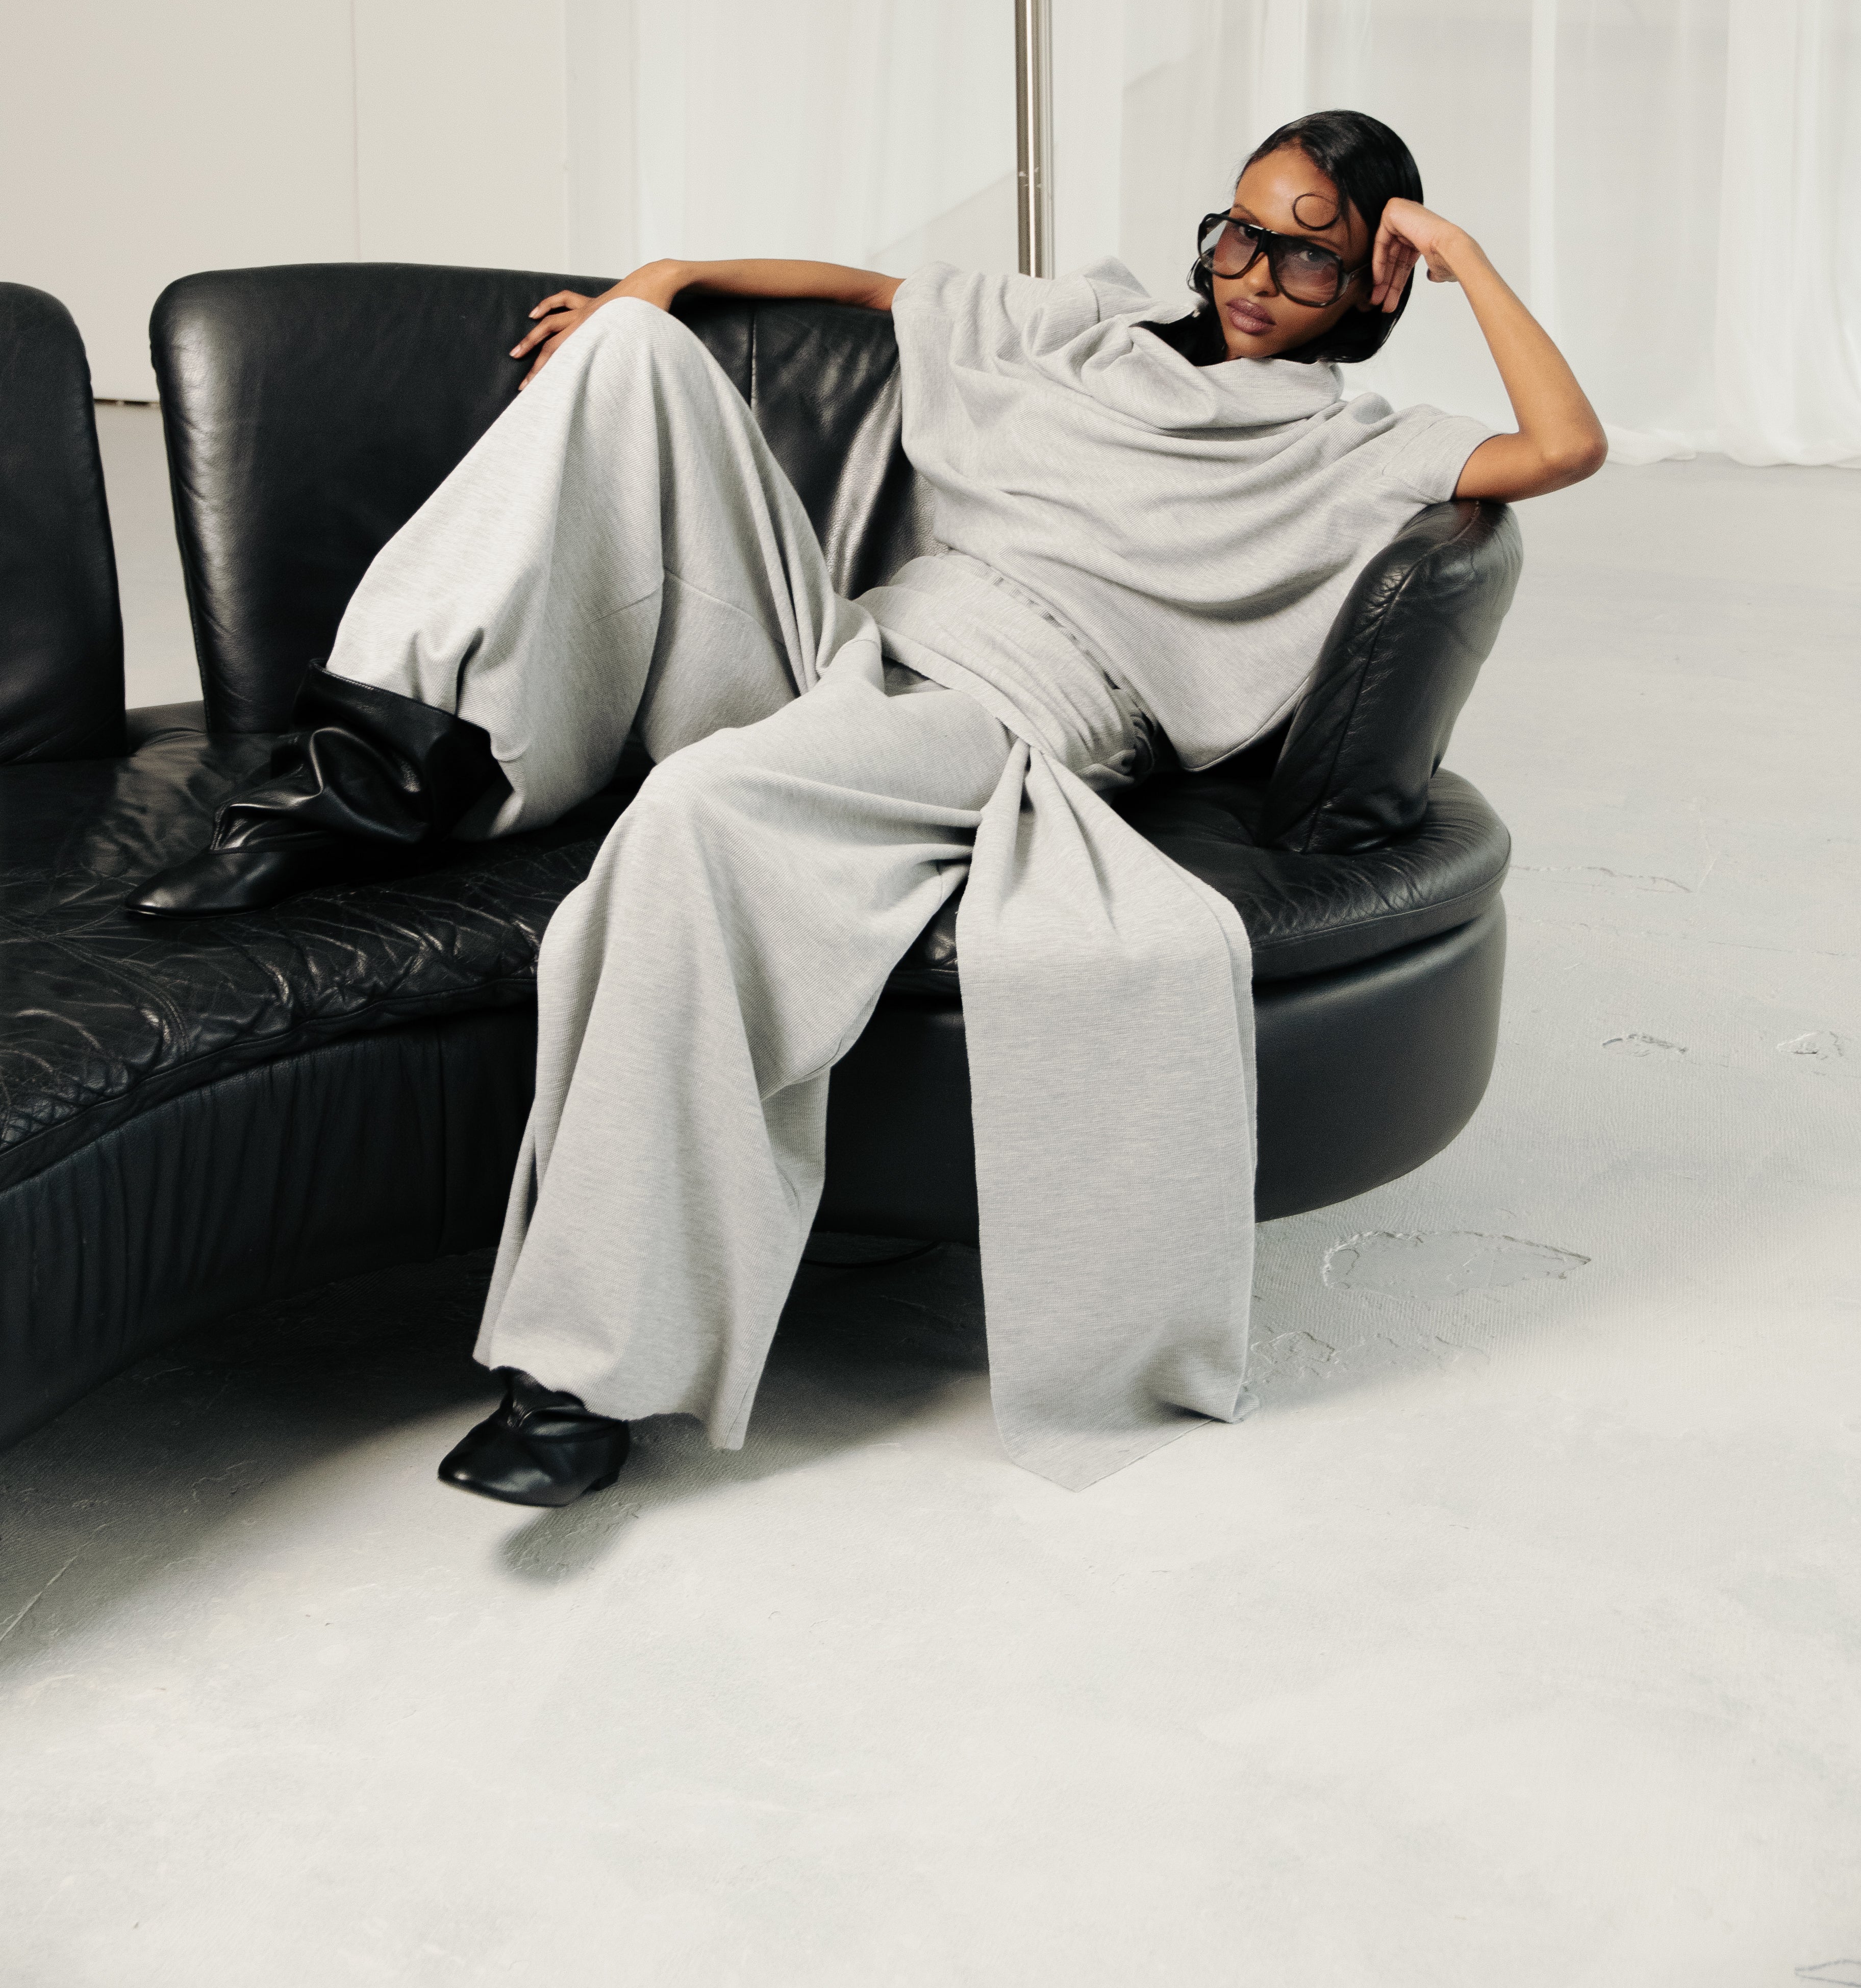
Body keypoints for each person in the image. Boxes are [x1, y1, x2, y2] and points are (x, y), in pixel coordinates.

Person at [129, 112, 1605, 1503]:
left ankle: (585, 1382)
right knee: (631, 353)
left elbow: (1565, 444)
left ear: (1373, 282)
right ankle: (367, 767)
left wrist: (1460, 255)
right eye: (1238, 233)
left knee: (695, 820)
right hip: (842, 646)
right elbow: (866, 288)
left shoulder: (1352, 450)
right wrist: (668, 278)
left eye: (1309, 255)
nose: (1255, 277)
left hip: (1001, 714)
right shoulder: (1085, 329)